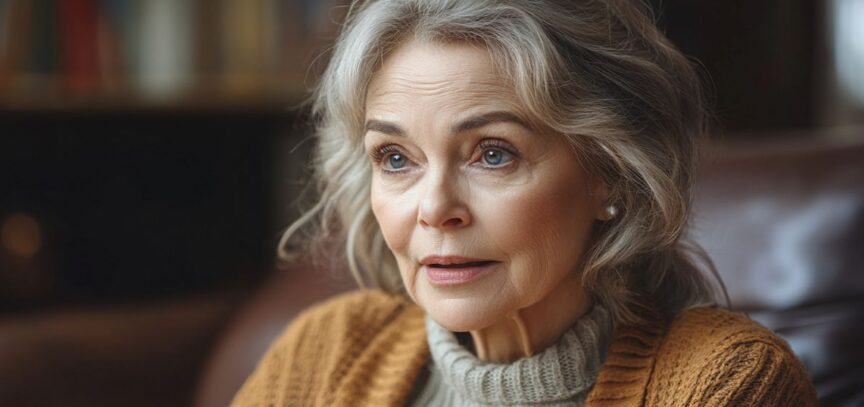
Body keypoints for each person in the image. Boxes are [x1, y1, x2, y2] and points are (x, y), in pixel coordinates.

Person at [234, 0, 817, 405]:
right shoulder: (324, 353)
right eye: (395, 158)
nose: (434, 209)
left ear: (609, 171)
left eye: (493, 154)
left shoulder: (726, 385)